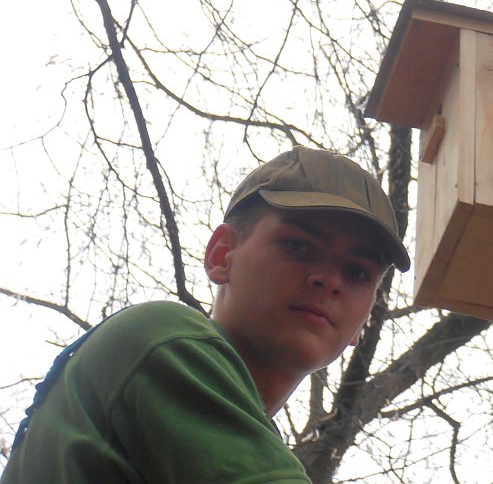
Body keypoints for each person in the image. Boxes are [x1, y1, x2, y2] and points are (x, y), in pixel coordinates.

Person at [1, 146, 410, 484]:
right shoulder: (162, 343)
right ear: (221, 255)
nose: (330, 280)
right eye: (300, 246)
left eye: (358, 273)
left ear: (362, 323)